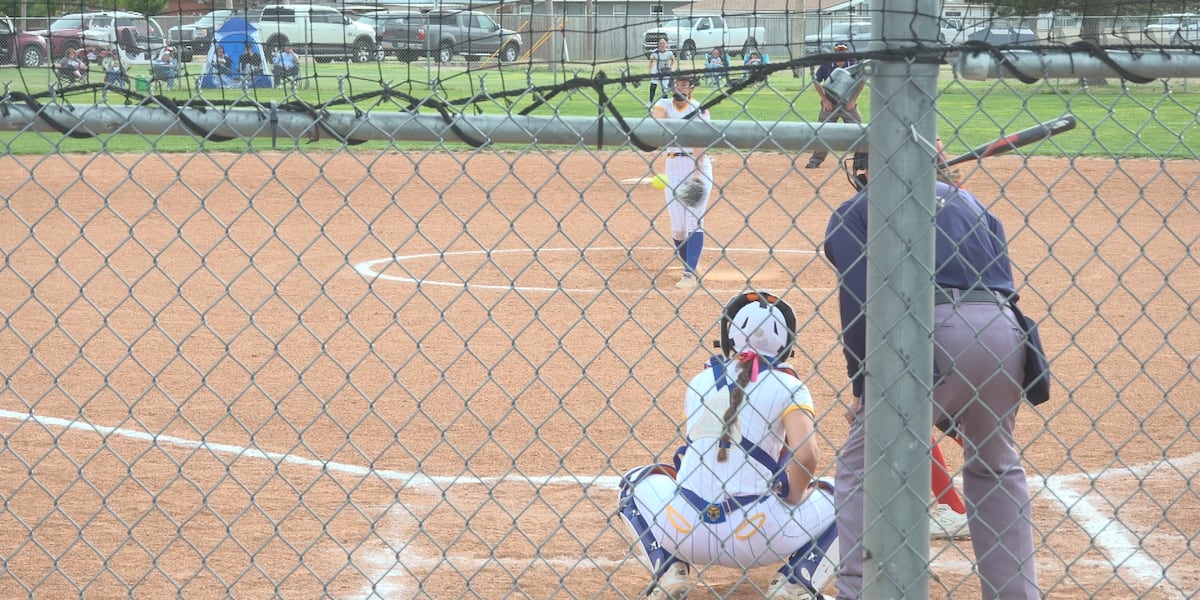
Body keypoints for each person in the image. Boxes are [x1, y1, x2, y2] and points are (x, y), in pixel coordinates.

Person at [823, 145, 1039, 599]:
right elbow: (1003, 284)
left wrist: (863, 383)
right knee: (995, 467)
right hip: (1006, 334)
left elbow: (859, 302)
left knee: (862, 467)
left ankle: (859, 591)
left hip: (927, 332)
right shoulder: (973, 204)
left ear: (867, 170)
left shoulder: (857, 210)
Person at [618, 291, 840, 600]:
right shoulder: (790, 386)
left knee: (633, 483)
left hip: (684, 530)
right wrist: (794, 495)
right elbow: (807, 455)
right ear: (785, 344)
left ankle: (668, 570)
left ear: (729, 336)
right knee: (852, 495)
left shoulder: (700, 381)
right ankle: (797, 581)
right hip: (758, 534)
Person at [651, 76, 713, 290]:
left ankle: (689, 273)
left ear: (691, 87)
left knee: (693, 222)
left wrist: (696, 173)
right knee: (678, 229)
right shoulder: (664, 104)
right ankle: (691, 265)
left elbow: (701, 141)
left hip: (697, 165)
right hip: (673, 167)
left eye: (685, 84)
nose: (680, 87)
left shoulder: (700, 109)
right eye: (677, 83)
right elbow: (657, 119)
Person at [806, 43, 864, 169]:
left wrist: (853, 100)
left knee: (859, 131)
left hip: (848, 104)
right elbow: (816, 81)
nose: (840, 54)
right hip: (830, 104)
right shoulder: (826, 64)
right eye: (838, 51)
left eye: (843, 51)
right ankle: (816, 159)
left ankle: (860, 161)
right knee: (822, 131)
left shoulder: (853, 64)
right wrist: (824, 100)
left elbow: (861, 82)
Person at [647, 37, 675, 104]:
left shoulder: (669, 52)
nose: (662, 45)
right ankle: (650, 101)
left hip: (665, 70)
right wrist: (650, 70)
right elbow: (651, 61)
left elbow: (673, 60)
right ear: (658, 44)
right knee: (653, 85)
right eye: (661, 43)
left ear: (666, 44)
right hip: (657, 69)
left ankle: (665, 102)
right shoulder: (655, 52)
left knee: (665, 87)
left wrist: (670, 67)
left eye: (663, 43)